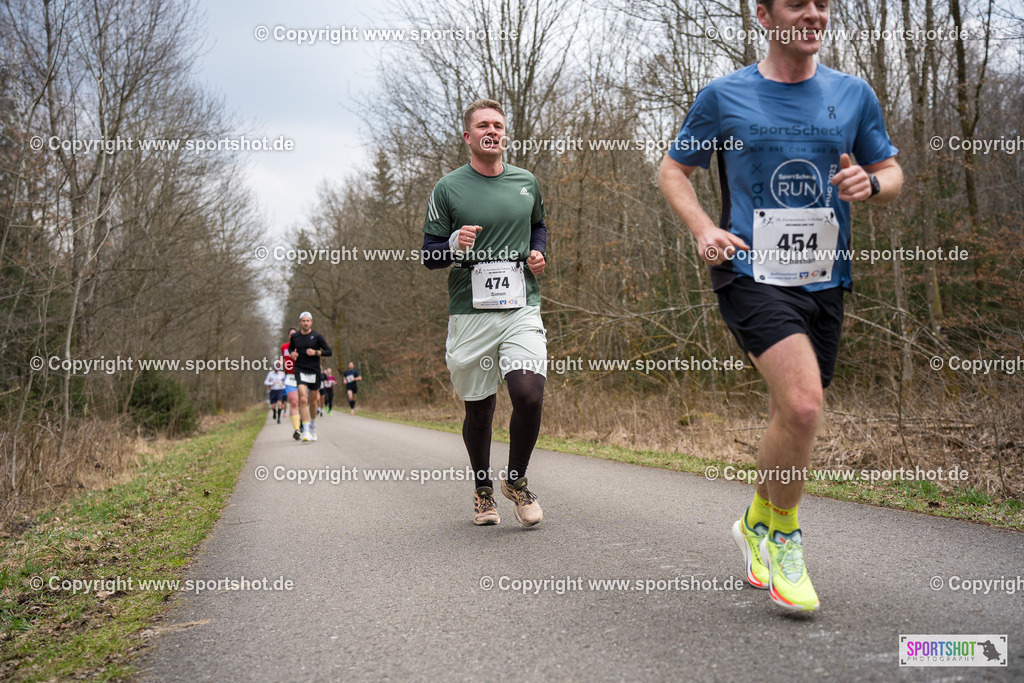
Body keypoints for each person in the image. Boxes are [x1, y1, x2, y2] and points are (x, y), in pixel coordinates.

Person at [659, 0, 902, 611]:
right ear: (764, 16)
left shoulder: (853, 94)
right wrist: (701, 229)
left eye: (824, 4)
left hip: (825, 277)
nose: (816, 14)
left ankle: (755, 520)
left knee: (792, 416)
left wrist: (869, 184)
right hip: (748, 269)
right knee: (802, 403)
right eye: (800, 4)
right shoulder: (723, 96)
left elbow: (891, 169)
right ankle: (786, 540)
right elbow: (673, 169)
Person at [421, 98, 549, 527]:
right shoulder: (448, 188)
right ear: (468, 136)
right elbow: (429, 256)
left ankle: (515, 480)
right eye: (483, 125)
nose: (492, 131)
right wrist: (455, 243)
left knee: (529, 395)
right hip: (469, 311)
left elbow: (538, 226)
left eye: (498, 125)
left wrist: (538, 252)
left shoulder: (526, 181)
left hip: (520, 305)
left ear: (504, 134)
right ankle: (482, 490)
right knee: (480, 410)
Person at [289, 312, 332, 442]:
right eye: (303, 321)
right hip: (300, 369)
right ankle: (306, 430)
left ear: (311, 322)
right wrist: (292, 354)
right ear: (300, 322)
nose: (306, 323)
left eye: (308, 321)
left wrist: (316, 352)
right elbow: (291, 349)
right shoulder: (295, 337)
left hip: (314, 371)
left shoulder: (317, 337)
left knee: (313, 401)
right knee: (303, 398)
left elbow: (329, 351)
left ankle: (312, 426)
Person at [280, 328, 302, 439]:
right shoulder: (284, 347)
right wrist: (281, 364)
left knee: (302, 402)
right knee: (293, 402)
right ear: (288, 336)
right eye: (290, 334)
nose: (292, 336)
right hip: (290, 377)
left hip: (302, 376)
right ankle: (296, 429)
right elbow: (283, 359)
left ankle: (303, 421)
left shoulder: (303, 345)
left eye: (295, 334)